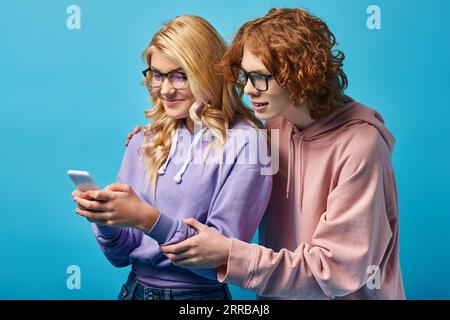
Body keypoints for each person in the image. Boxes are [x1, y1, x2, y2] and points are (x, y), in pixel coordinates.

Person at [153, 8, 405, 300]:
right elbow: (223, 147)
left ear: (300, 74)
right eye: (245, 76)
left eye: (260, 77)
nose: (248, 89)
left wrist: (230, 254)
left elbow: (334, 269)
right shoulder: (275, 127)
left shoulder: (362, 146)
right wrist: (163, 134)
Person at [71, 14, 272, 300]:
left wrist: (148, 219)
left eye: (180, 75)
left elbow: (222, 260)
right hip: (132, 291)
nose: (165, 89)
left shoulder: (249, 144)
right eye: (157, 74)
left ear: (208, 73)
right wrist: (106, 220)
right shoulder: (145, 139)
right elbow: (121, 256)